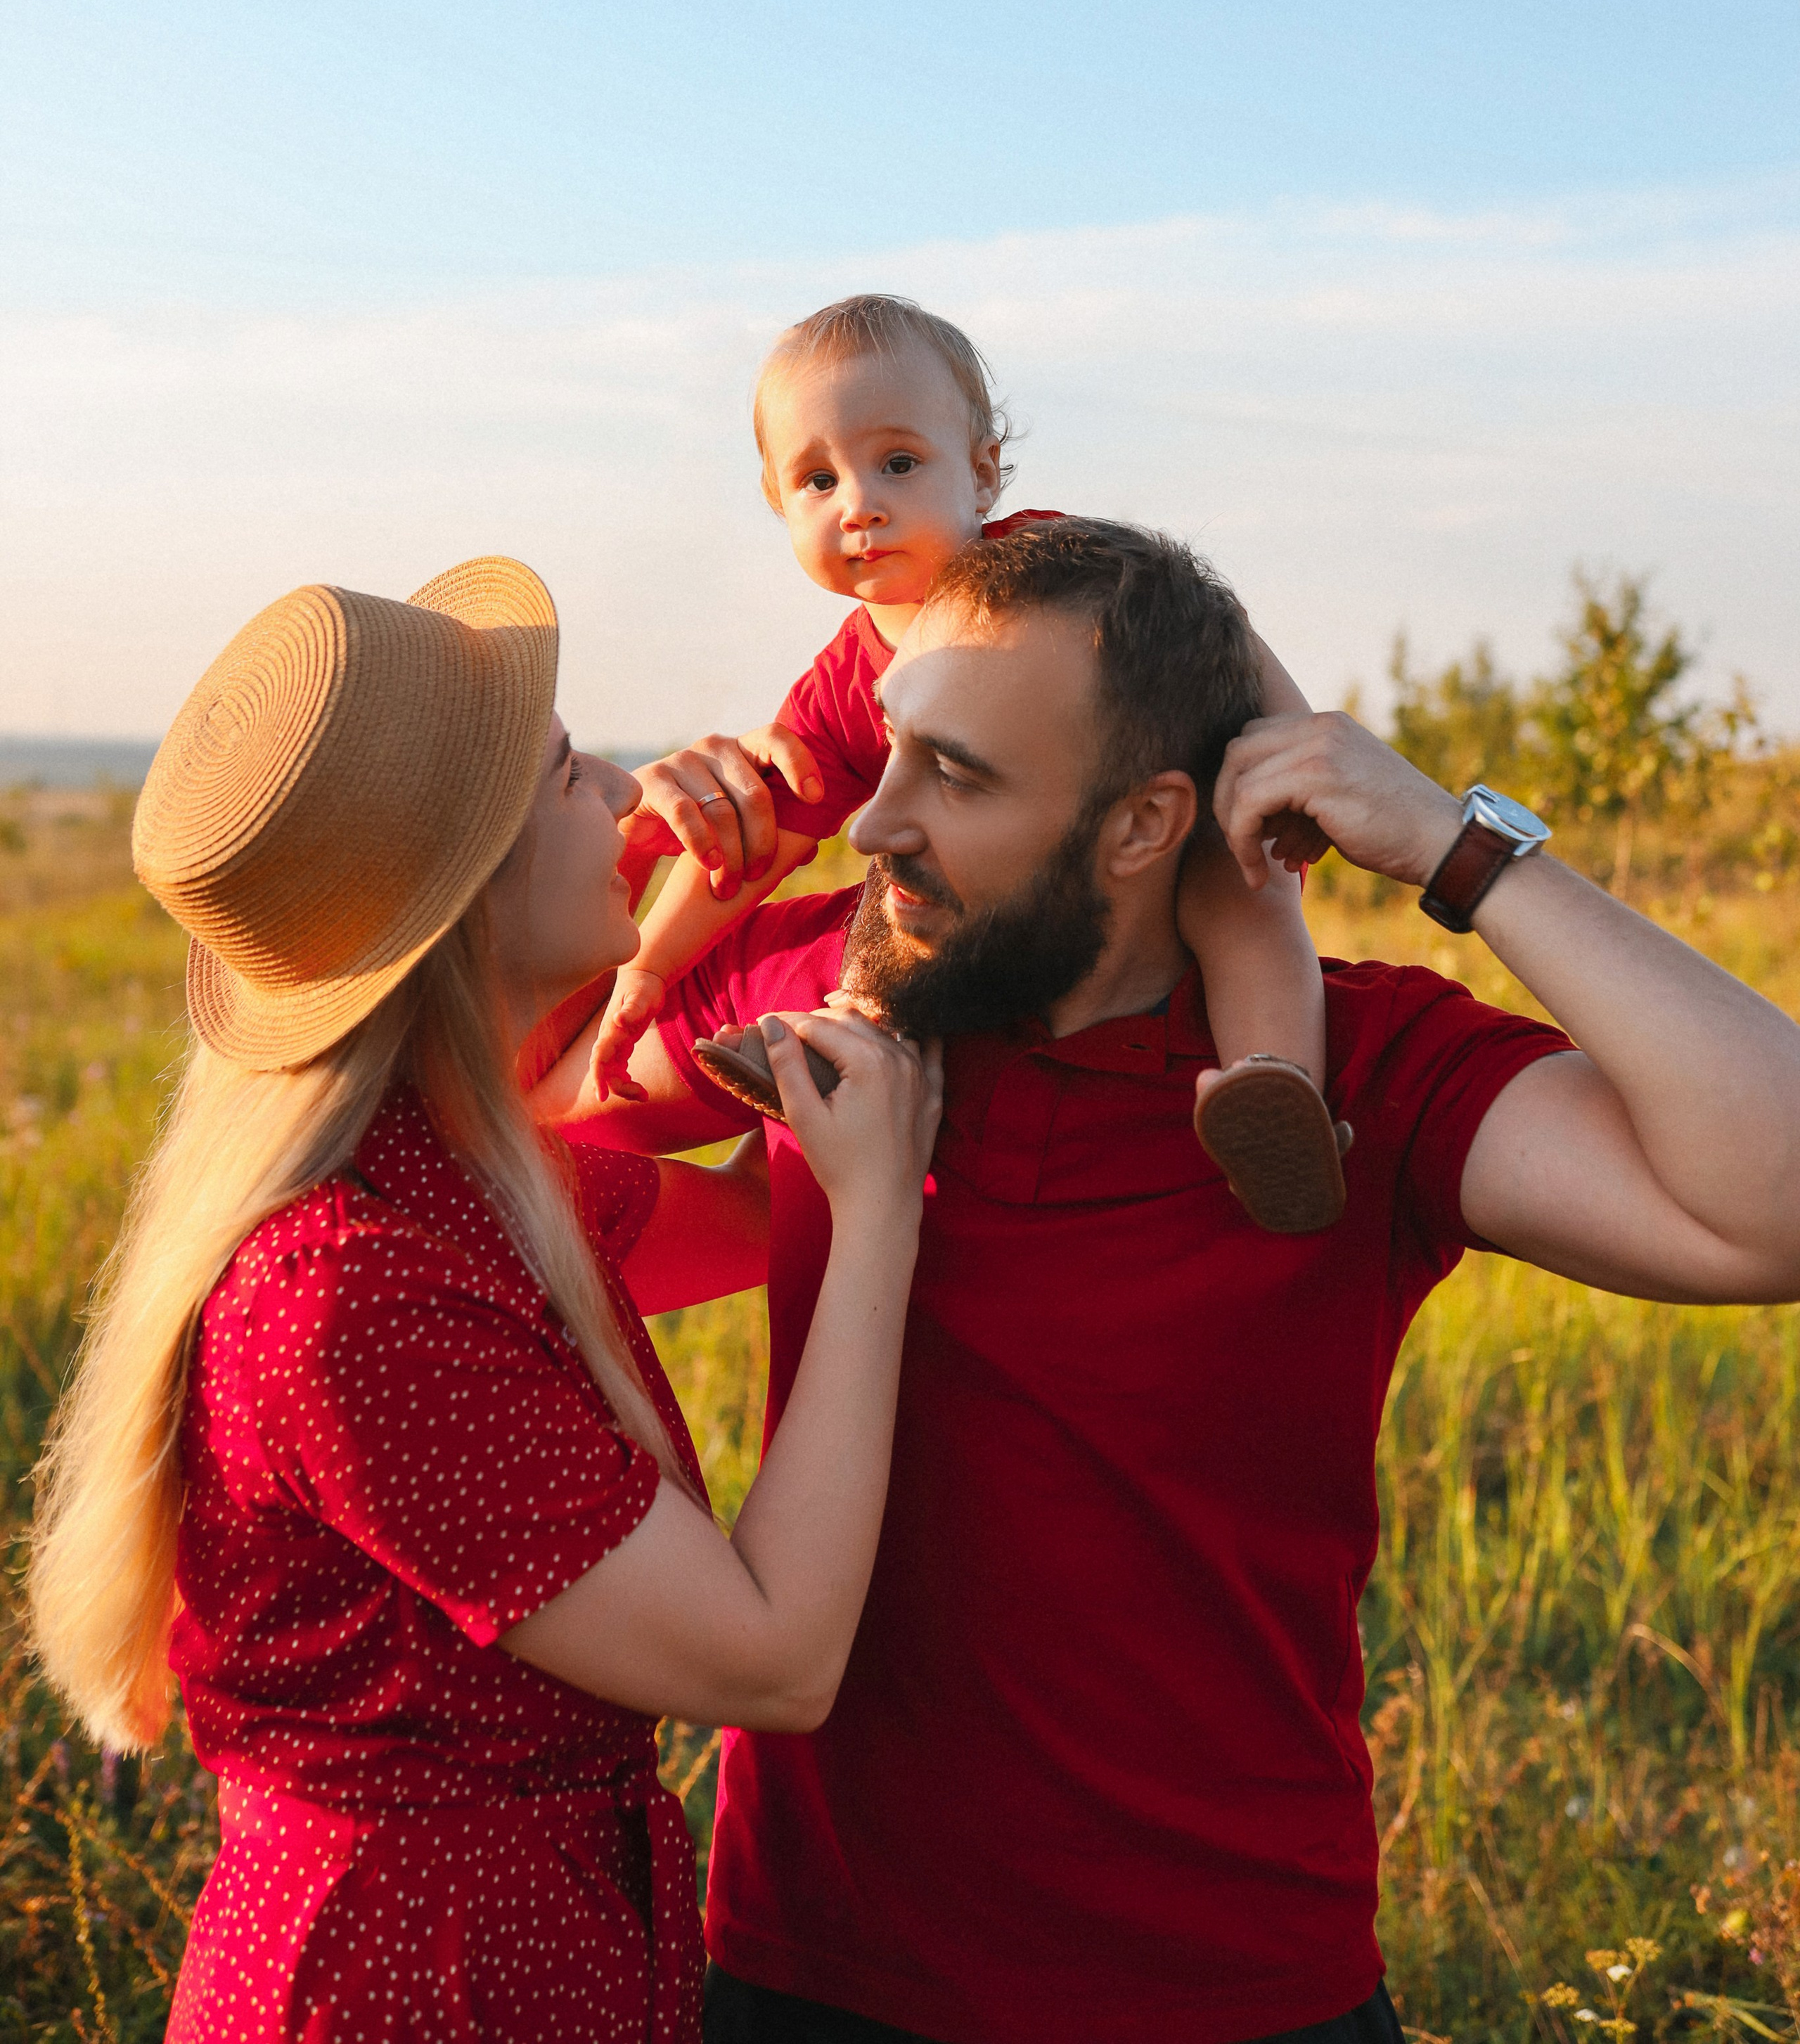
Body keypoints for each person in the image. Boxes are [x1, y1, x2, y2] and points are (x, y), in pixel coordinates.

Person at [562, 515, 1800, 2044]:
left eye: (956, 777)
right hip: (815, 1979)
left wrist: (1451, 845)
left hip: (1229, 1993)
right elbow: (500, 1114)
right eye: (891, 754)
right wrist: (654, 853)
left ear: (1144, 825)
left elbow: (1773, 1204)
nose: (876, 825)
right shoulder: (839, 985)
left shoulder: (1347, 1073)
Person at [27, 556, 939, 2044]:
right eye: (577, 776)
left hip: (509, 1960)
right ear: (466, 899)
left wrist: (742, 875)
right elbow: (770, 1658)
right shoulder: (352, 1291)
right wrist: (882, 1226)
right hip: (412, 1990)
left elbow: (757, 1210)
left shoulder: (461, 1183)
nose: (634, 795)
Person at [559, 294, 1342, 1219]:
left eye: (897, 463)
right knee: (892, 898)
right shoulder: (844, 682)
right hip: (1013, 903)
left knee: (1244, 908)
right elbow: (757, 836)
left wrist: (1292, 752)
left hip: (1185, 820)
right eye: (817, 481)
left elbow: (1227, 635)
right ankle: (840, 1045)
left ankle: (1275, 1097)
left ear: (981, 475)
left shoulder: (1054, 567)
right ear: (776, 501)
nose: (860, 506)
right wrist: (651, 964)